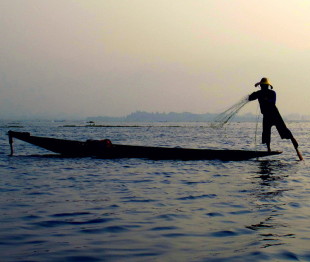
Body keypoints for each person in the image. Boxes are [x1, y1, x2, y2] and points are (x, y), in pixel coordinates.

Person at [248, 77, 296, 152]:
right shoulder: (259, 93)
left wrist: (267, 100)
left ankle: (292, 139)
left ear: (267, 86)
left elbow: (273, 101)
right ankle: (268, 149)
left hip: (274, 114)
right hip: (266, 116)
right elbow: (250, 98)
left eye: (264, 86)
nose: (263, 87)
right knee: (266, 132)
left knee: (283, 129)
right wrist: (253, 95)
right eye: (262, 86)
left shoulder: (272, 93)